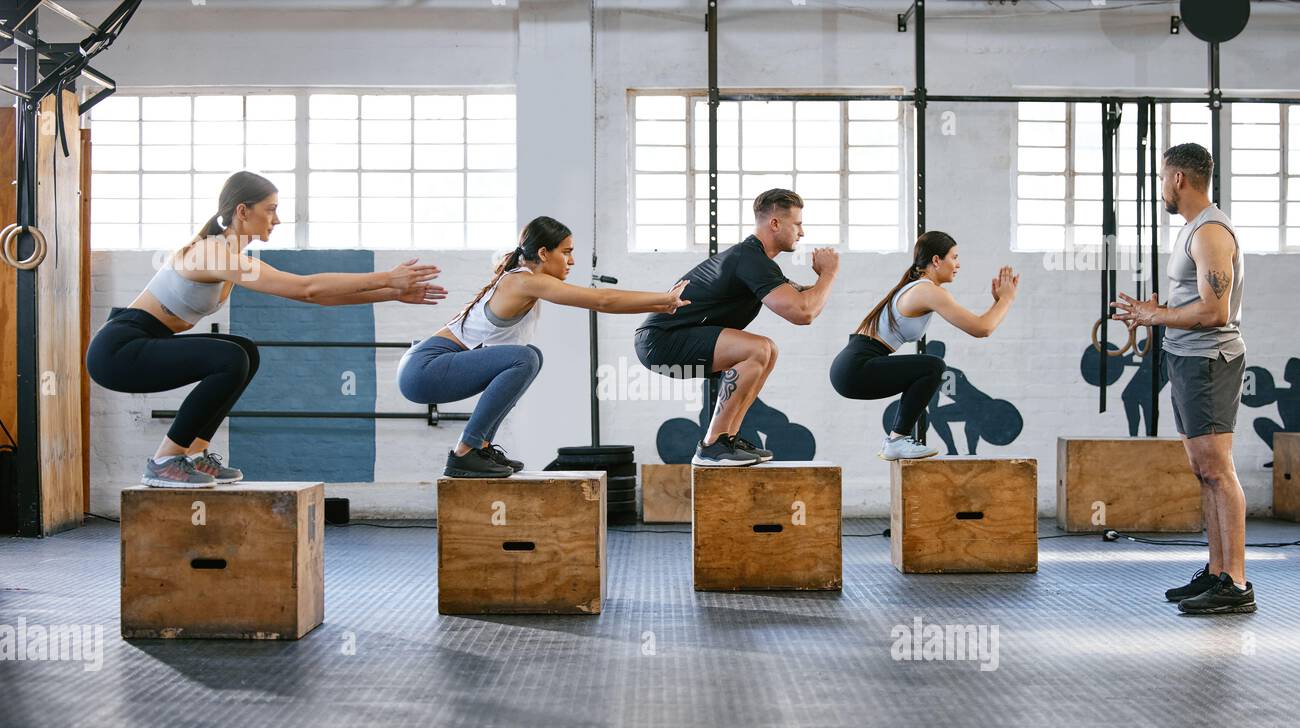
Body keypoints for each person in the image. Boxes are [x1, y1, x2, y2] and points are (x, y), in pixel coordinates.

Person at [86, 171, 444, 489]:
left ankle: (194, 454)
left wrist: (393, 293)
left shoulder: (232, 257)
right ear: (243, 211)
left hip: (142, 344)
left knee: (244, 350)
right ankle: (165, 461)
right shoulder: (212, 253)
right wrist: (385, 277)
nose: (278, 218)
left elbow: (317, 298)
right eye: (270, 209)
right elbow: (306, 287)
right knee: (228, 357)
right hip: (119, 350)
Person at [398, 216, 689, 478]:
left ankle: (479, 449)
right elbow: (601, 300)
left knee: (530, 357)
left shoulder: (520, 279)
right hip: (424, 368)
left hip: (426, 368)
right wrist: (663, 301)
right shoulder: (525, 282)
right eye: (566, 252)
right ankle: (466, 451)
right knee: (524, 358)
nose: (571, 261)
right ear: (542, 253)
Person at [1112, 142, 1255, 615]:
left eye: (1161, 179)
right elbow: (1189, 302)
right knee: (1204, 470)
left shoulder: (1210, 232)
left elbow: (1214, 311)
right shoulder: (1195, 229)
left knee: (1218, 469)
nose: (1161, 190)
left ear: (1179, 180)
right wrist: (1155, 315)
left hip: (1209, 359)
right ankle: (1217, 571)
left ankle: (1235, 582)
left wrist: (1157, 315)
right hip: (1188, 358)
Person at [634, 188, 837, 466]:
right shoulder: (749, 258)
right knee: (758, 348)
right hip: (661, 340)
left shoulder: (758, 263)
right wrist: (829, 274)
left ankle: (726, 439)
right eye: (797, 224)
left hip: (673, 339)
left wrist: (824, 280)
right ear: (775, 223)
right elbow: (802, 313)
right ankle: (712, 445)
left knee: (769, 351)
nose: (802, 232)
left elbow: (803, 298)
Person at [828, 230, 1019, 460]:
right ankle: (897, 439)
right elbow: (982, 329)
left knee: (927, 369)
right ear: (937, 260)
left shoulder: (918, 287)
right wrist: (1007, 299)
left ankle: (897, 439)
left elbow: (981, 325)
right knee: (933, 366)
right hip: (855, 368)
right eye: (954, 257)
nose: (958, 265)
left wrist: (997, 303)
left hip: (851, 367)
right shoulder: (928, 291)